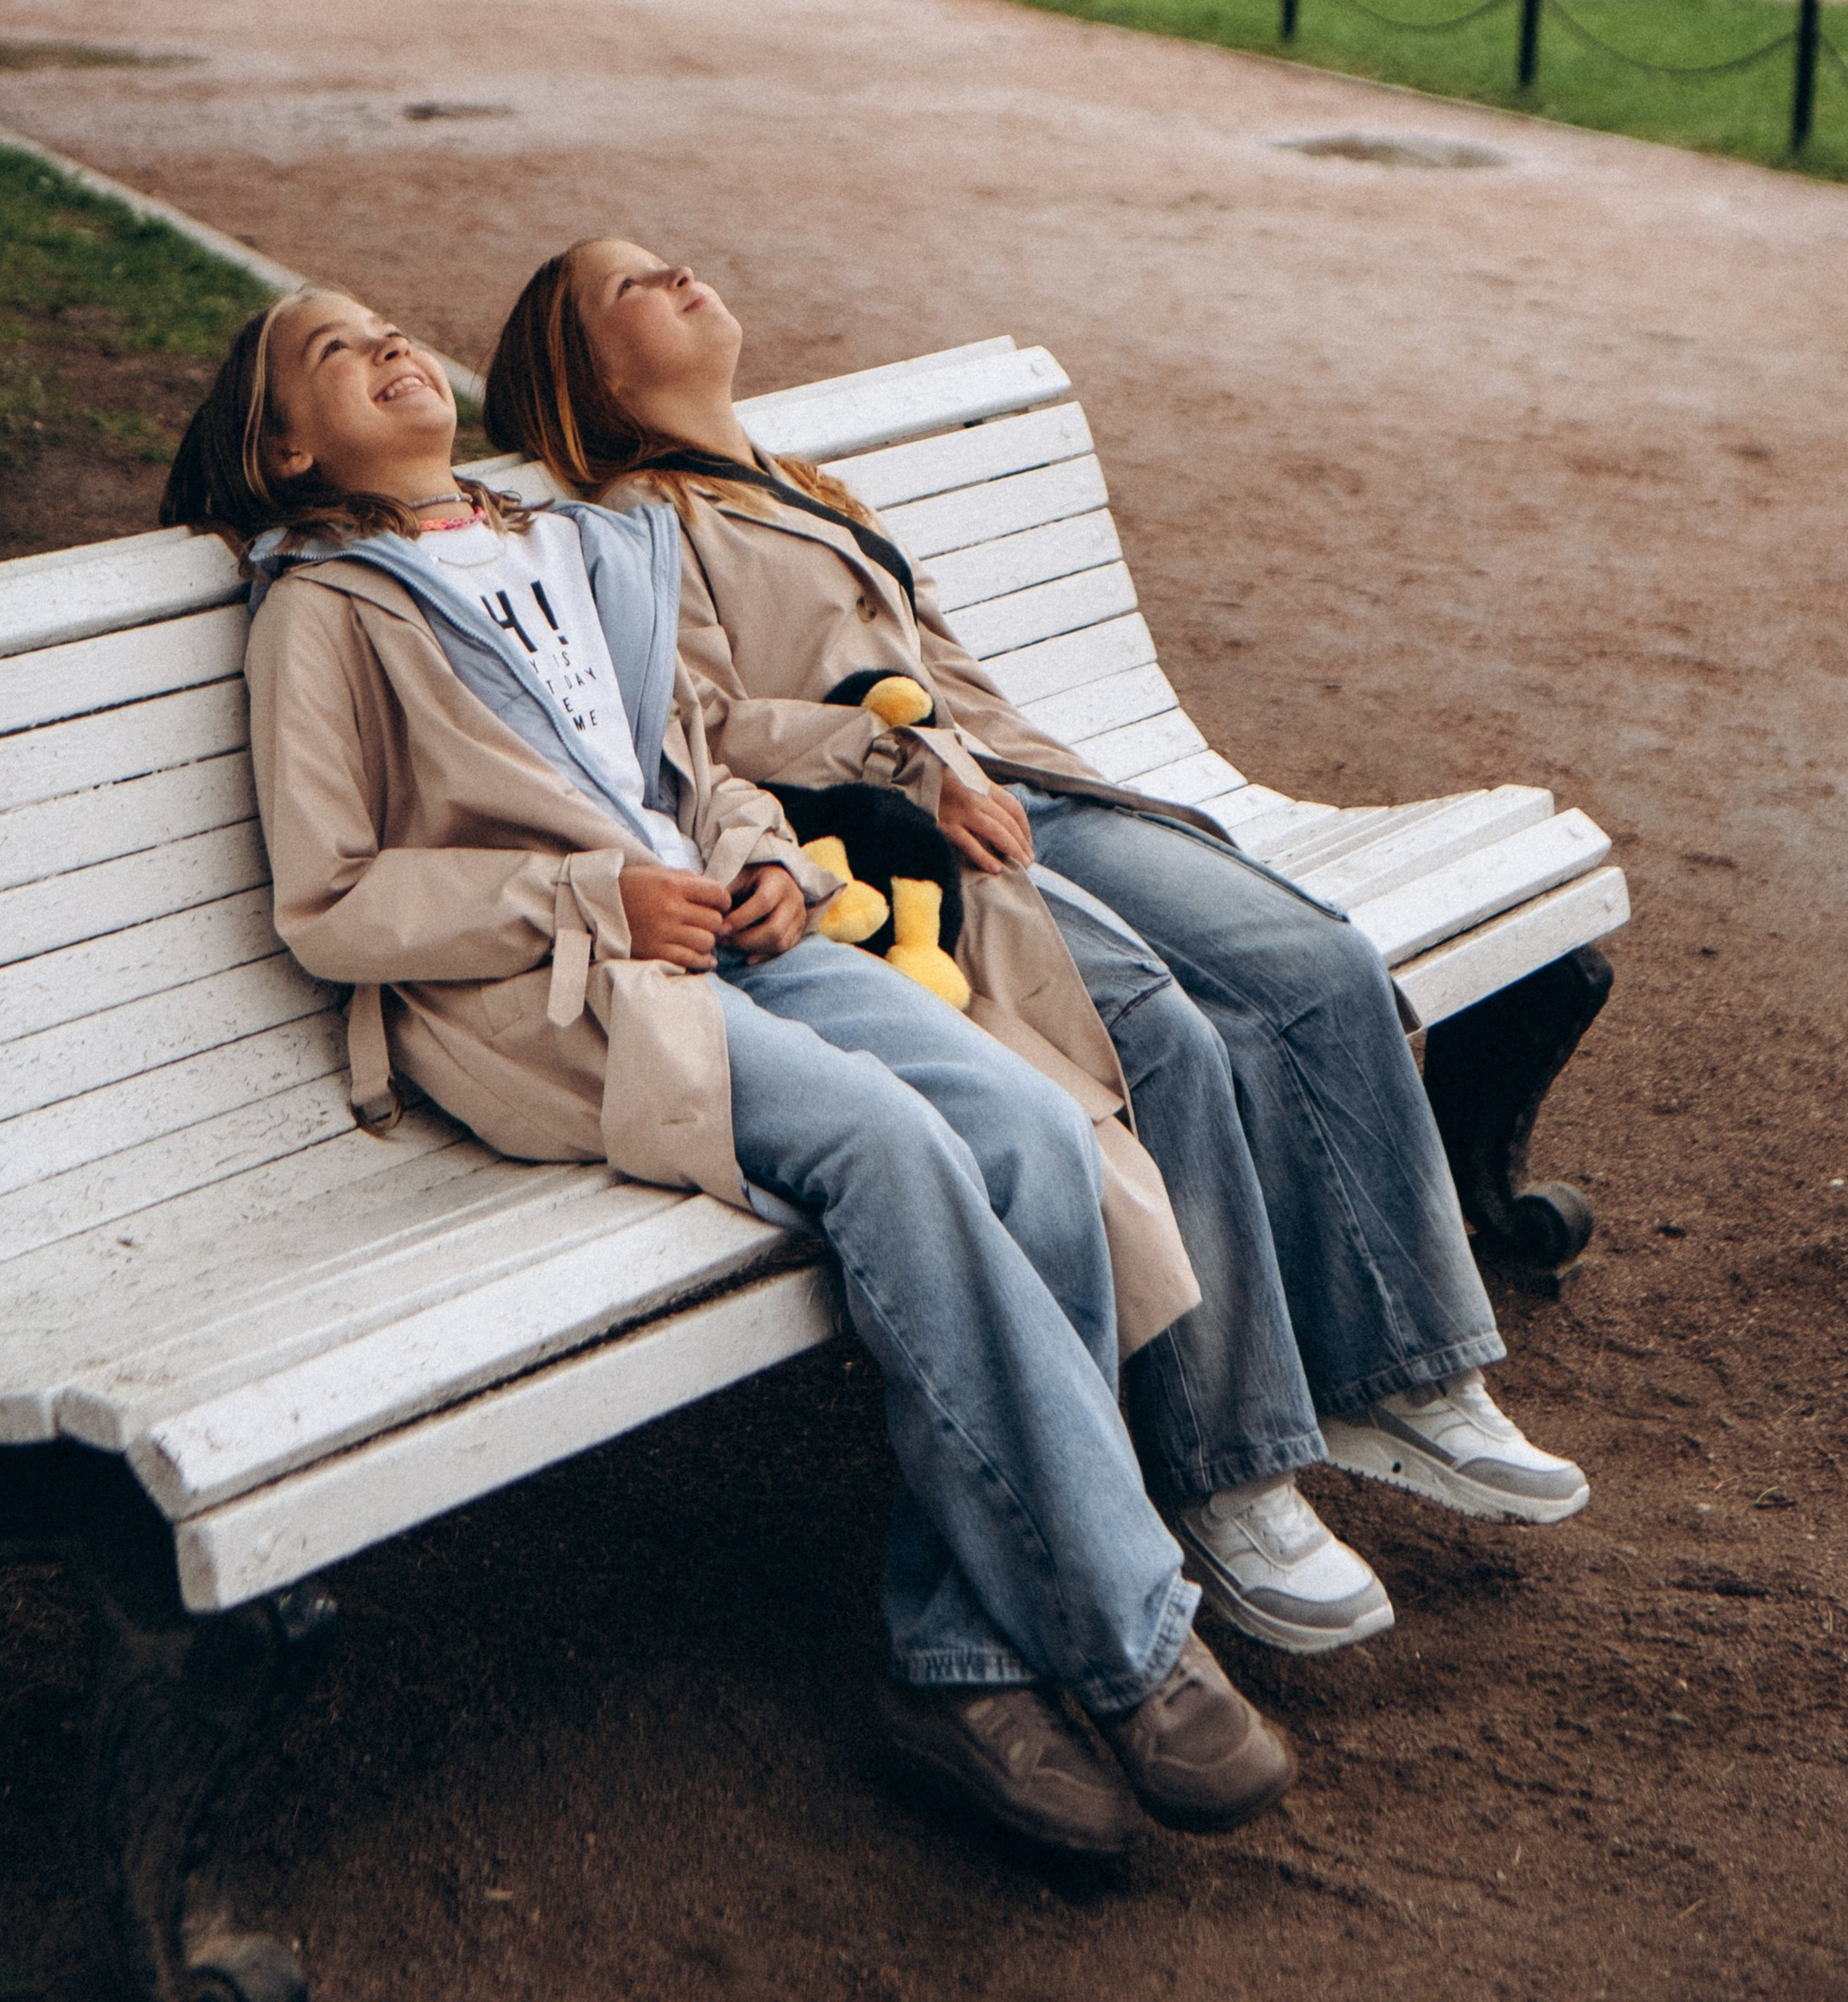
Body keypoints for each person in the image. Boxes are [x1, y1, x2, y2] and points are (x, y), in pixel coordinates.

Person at [162, 290, 1298, 1861]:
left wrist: (763, 862)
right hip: (555, 996)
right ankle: (1134, 1644)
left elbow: (691, 763)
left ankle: (961, 1666)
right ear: (287, 448)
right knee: (891, 1147)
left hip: (732, 943)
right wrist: (588, 898)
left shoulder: (567, 545)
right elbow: (331, 898)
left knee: (1032, 1132)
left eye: (385, 327)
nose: (386, 348)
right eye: (332, 356)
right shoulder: (324, 611)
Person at [484, 245, 1591, 1659]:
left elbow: (961, 678)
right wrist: (902, 757)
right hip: (885, 841)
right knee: (1159, 1037)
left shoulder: (808, 485)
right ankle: (1226, 1471)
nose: (681, 272)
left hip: (1023, 792)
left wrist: (1035, 774)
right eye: (635, 287)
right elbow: (696, 728)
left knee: (1315, 964)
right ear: (599, 381)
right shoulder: (640, 521)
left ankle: (1404, 1369)